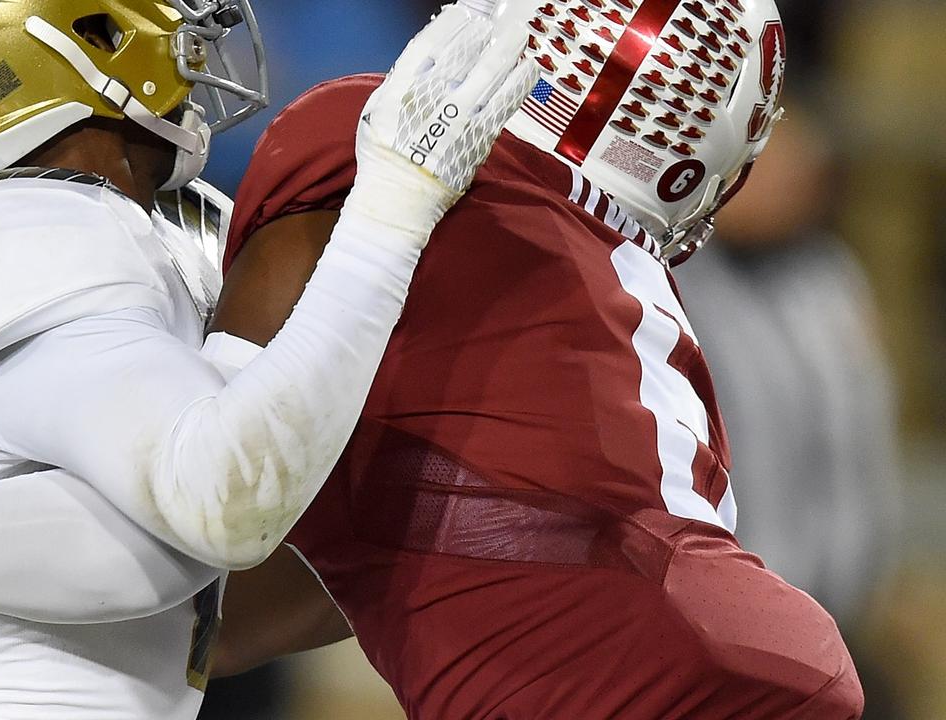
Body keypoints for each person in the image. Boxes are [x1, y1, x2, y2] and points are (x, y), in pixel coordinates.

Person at [0, 1, 534, 719]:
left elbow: (216, 585)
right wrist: (394, 205)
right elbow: (219, 501)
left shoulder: (135, 228)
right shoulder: (19, 228)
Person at [207, 1, 866, 718]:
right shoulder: (627, 287)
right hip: (765, 652)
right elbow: (410, 556)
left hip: (644, 675)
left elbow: (206, 558)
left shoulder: (371, 152)